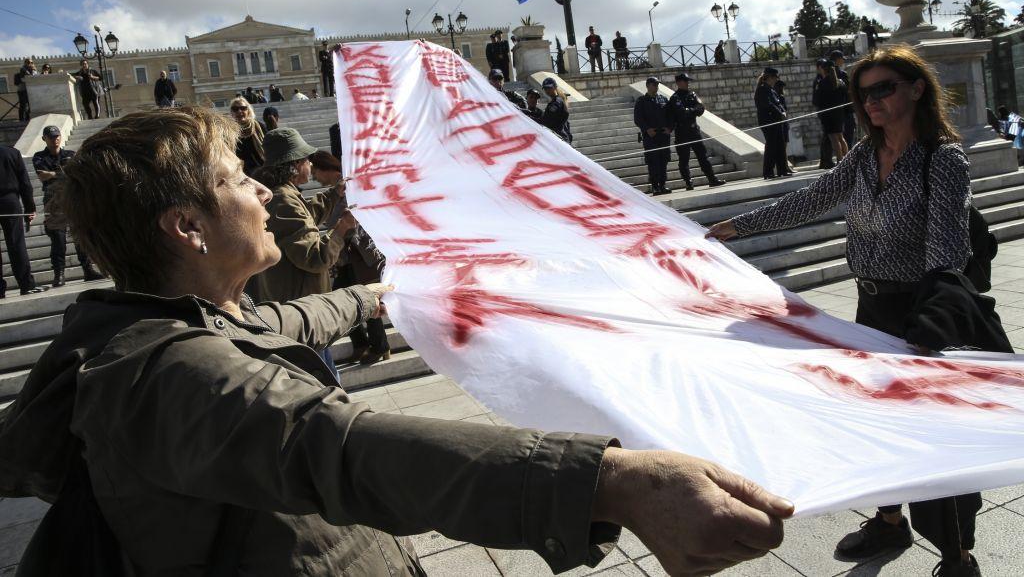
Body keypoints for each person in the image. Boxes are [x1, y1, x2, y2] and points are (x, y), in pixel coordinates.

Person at [0, 105, 792, 575]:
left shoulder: (201, 318)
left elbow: (297, 319)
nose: (260, 189)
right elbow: (340, 448)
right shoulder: (164, 371)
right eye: (237, 177)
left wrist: (379, 294)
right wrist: (611, 480)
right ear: (188, 228)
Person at [707, 45, 984, 577]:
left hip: (925, 313)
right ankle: (887, 520)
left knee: (930, 433)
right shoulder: (864, 152)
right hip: (872, 307)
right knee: (876, 419)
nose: (871, 101)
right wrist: (738, 226)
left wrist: (927, 333)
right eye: (864, 93)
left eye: (884, 89)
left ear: (916, 89)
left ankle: (957, 552)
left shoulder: (941, 159)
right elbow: (810, 200)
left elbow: (948, 252)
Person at [310, 150, 391, 366]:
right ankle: (362, 343)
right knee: (344, 298)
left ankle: (379, 346)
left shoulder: (347, 187)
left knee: (365, 298)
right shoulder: (336, 189)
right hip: (345, 257)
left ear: (326, 169)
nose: (315, 178)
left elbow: (339, 219)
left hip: (358, 254)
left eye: (316, 173)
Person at [253, 127, 351, 306]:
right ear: (295, 165)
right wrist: (342, 227)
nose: (311, 164)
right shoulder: (283, 200)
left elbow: (305, 219)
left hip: (294, 300)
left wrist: (335, 193)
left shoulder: (281, 194)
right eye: (307, 159)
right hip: (300, 303)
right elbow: (316, 258)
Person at [31, 125, 104, 287]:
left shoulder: (70, 154)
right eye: (51, 137)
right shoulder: (39, 157)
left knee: (79, 236)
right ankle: (60, 274)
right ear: (44, 139)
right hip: (53, 200)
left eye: (57, 136)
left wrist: (54, 174)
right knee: (58, 238)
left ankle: (88, 270)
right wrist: (64, 172)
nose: (55, 139)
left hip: (73, 197)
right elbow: (42, 176)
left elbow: (78, 173)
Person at [669, 73, 725, 191]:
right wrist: (692, 110)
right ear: (679, 83)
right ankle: (688, 182)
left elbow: (701, 109)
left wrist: (690, 110)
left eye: (688, 81)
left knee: (703, 156)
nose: (688, 83)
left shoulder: (692, 95)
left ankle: (712, 179)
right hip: (682, 132)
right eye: (685, 81)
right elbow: (681, 114)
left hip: (694, 130)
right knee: (684, 159)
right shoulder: (675, 98)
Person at [0, 144, 43, 297]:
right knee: (16, 243)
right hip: (10, 200)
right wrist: (30, 207)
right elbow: (25, 183)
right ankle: (26, 284)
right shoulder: (12, 153)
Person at [634, 77, 672, 195]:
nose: (656, 87)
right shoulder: (641, 101)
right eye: (654, 85)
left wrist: (670, 128)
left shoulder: (663, 99)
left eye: (657, 85)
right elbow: (638, 119)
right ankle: (655, 186)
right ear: (648, 86)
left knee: (664, 160)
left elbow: (671, 116)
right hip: (651, 136)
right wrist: (647, 129)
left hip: (663, 135)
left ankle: (663, 184)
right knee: (653, 160)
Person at [814, 58, 850, 165]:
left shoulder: (822, 83)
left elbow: (818, 100)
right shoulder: (840, 82)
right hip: (839, 113)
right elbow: (846, 96)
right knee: (841, 137)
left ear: (824, 70)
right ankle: (847, 159)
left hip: (827, 114)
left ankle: (840, 160)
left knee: (833, 138)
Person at [755, 67, 789, 180]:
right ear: (769, 77)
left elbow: (778, 103)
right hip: (768, 121)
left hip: (776, 120)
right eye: (774, 77)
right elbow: (768, 105)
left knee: (780, 144)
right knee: (771, 146)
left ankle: (782, 169)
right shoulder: (762, 89)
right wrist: (780, 113)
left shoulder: (771, 89)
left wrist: (782, 111)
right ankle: (768, 171)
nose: (776, 80)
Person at [230, 96, 266, 176]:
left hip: (262, 170)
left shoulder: (259, 127)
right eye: (235, 109)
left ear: (248, 111)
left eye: (243, 108)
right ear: (232, 113)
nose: (239, 111)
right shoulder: (228, 132)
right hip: (240, 174)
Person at [831, 49, 856, 148]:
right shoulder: (841, 74)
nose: (843, 61)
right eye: (842, 59)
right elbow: (848, 91)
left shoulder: (824, 75)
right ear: (837, 60)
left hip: (834, 111)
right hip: (846, 110)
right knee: (848, 137)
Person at [541, 77, 572, 143]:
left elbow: (547, 120)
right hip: (559, 137)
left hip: (560, 139)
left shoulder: (557, 102)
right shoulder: (555, 101)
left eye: (549, 88)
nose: (547, 90)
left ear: (555, 87)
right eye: (545, 88)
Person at [15, 58, 36, 122]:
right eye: (28, 62)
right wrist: (30, 78)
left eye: (32, 62)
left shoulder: (33, 69)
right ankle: (22, 119)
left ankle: (27, 119)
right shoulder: (23, 69)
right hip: (23, 90)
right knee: (23, 105)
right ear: (25, 63)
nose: (30, 64)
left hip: (30, 89)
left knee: (30, 105)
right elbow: (22, 79)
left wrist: (33, 70)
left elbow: (35, 76)